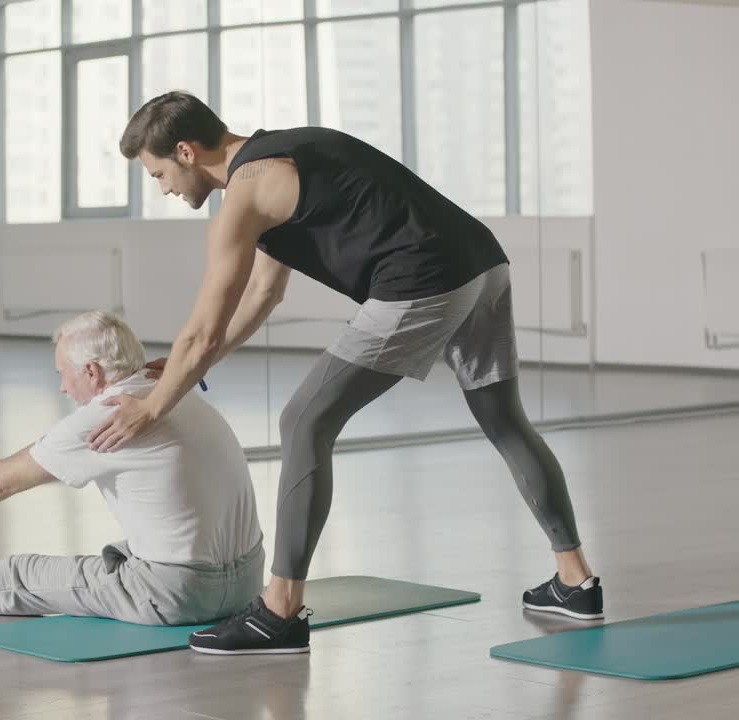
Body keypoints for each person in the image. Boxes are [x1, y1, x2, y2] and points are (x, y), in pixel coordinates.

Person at [89, 91, 603, 655]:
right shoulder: (280, 157)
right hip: (482, 263)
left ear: (185, 152)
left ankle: (278, 613)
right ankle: (575, 583)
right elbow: (264, 291)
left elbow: (200, 330)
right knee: (504, 420)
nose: (163, 187)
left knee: (305, 422)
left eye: (159, 173)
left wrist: (154, 403)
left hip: (422, 281)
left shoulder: (245, 193)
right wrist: (199, 365)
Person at [0, 310, 264, 626]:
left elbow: (1, 482)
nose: (60, 385)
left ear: (91, 372)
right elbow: (7, 468)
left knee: (20, 576)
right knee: (121, 552)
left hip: (178, 596)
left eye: (62, 373)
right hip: (245, 585)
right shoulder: (173, 393)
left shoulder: (108, 414)